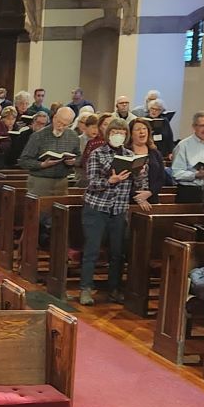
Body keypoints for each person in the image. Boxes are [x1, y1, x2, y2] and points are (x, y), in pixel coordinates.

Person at [79, 118, 149, 306]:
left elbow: (140, 186)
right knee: (92, 250)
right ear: (108, 134)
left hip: (119, 209)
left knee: (117, 253)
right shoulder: (97, 153)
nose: (119, 136)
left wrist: (141, 174)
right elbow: (91, 182)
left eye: (122, 133)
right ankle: (85, 288)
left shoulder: (129, 155)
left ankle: (114, 289)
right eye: (115, 132)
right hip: (97, 208)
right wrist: (110, 181)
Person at [18, 107, 80, 195]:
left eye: (65, 125)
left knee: (60, 208)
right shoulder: (38, 136)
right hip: (40, 182)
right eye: (59, 122)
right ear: (54, 118)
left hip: (62, 182)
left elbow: (79, 157)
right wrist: (42, 164)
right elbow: (24, 161)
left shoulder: (73, 136)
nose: (61, 127)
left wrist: (74, 161)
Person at [171, 110, 204, 203]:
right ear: (194, 127)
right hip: (190, 192)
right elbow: (176, 173)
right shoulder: (183, 145)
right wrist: (196, 175)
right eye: (202, 125)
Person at [127, 118, 165, 203]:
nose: (142, 132)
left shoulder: (155, 153)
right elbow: (123, 180)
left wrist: (149, 192)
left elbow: (161, 178)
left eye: (144, 129)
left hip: (152, 198)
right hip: (130, 199)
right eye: (137, 129)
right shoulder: (125, 153)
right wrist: (138, 197)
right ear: (131, 133)